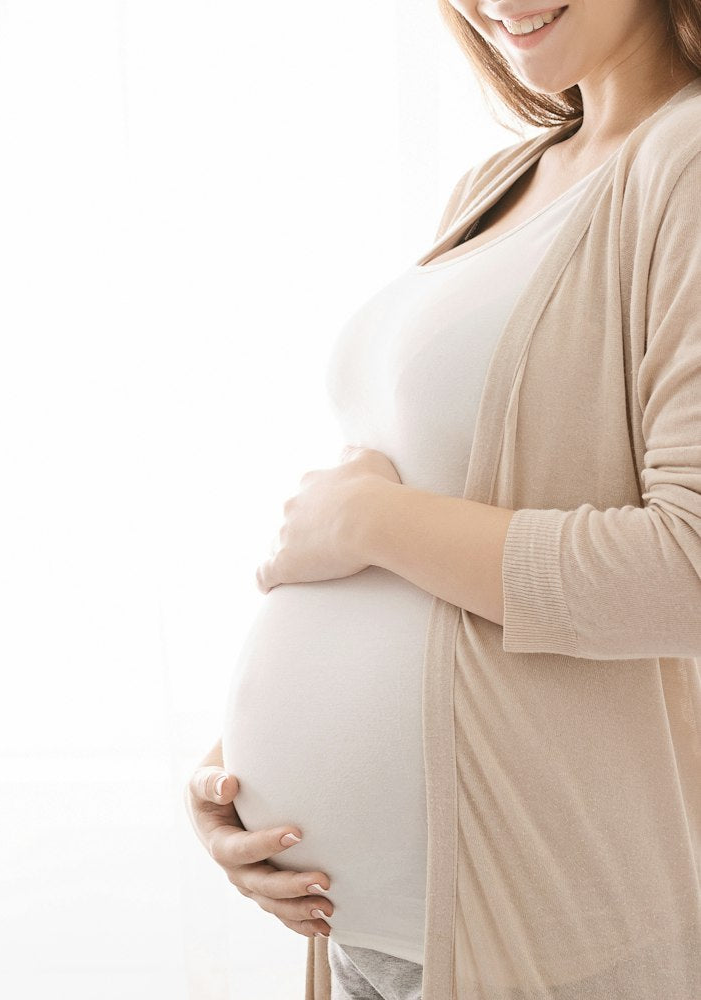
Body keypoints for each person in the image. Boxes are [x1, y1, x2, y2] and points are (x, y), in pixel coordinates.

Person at [183, 2, 701, 998]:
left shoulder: (683, 161)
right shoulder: (497, 181)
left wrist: (371, 522)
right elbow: (417, 501)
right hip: (374, 938)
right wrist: (239, 778)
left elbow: (687, 569)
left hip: (554, 938)